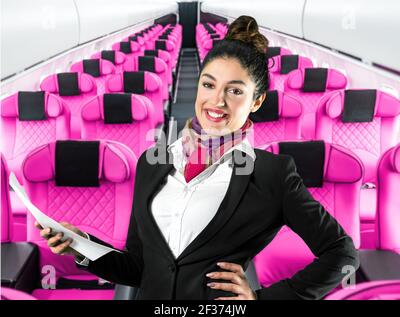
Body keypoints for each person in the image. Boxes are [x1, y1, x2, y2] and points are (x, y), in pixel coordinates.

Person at [35, 15, 359, 300]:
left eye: (235, 90)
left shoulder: (272, 174)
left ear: (257, 101)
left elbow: (342, 254)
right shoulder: (152, 162)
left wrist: (264, 298)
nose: (216, 101)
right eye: (209, 84)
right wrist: (80, 243)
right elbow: (139, 267)